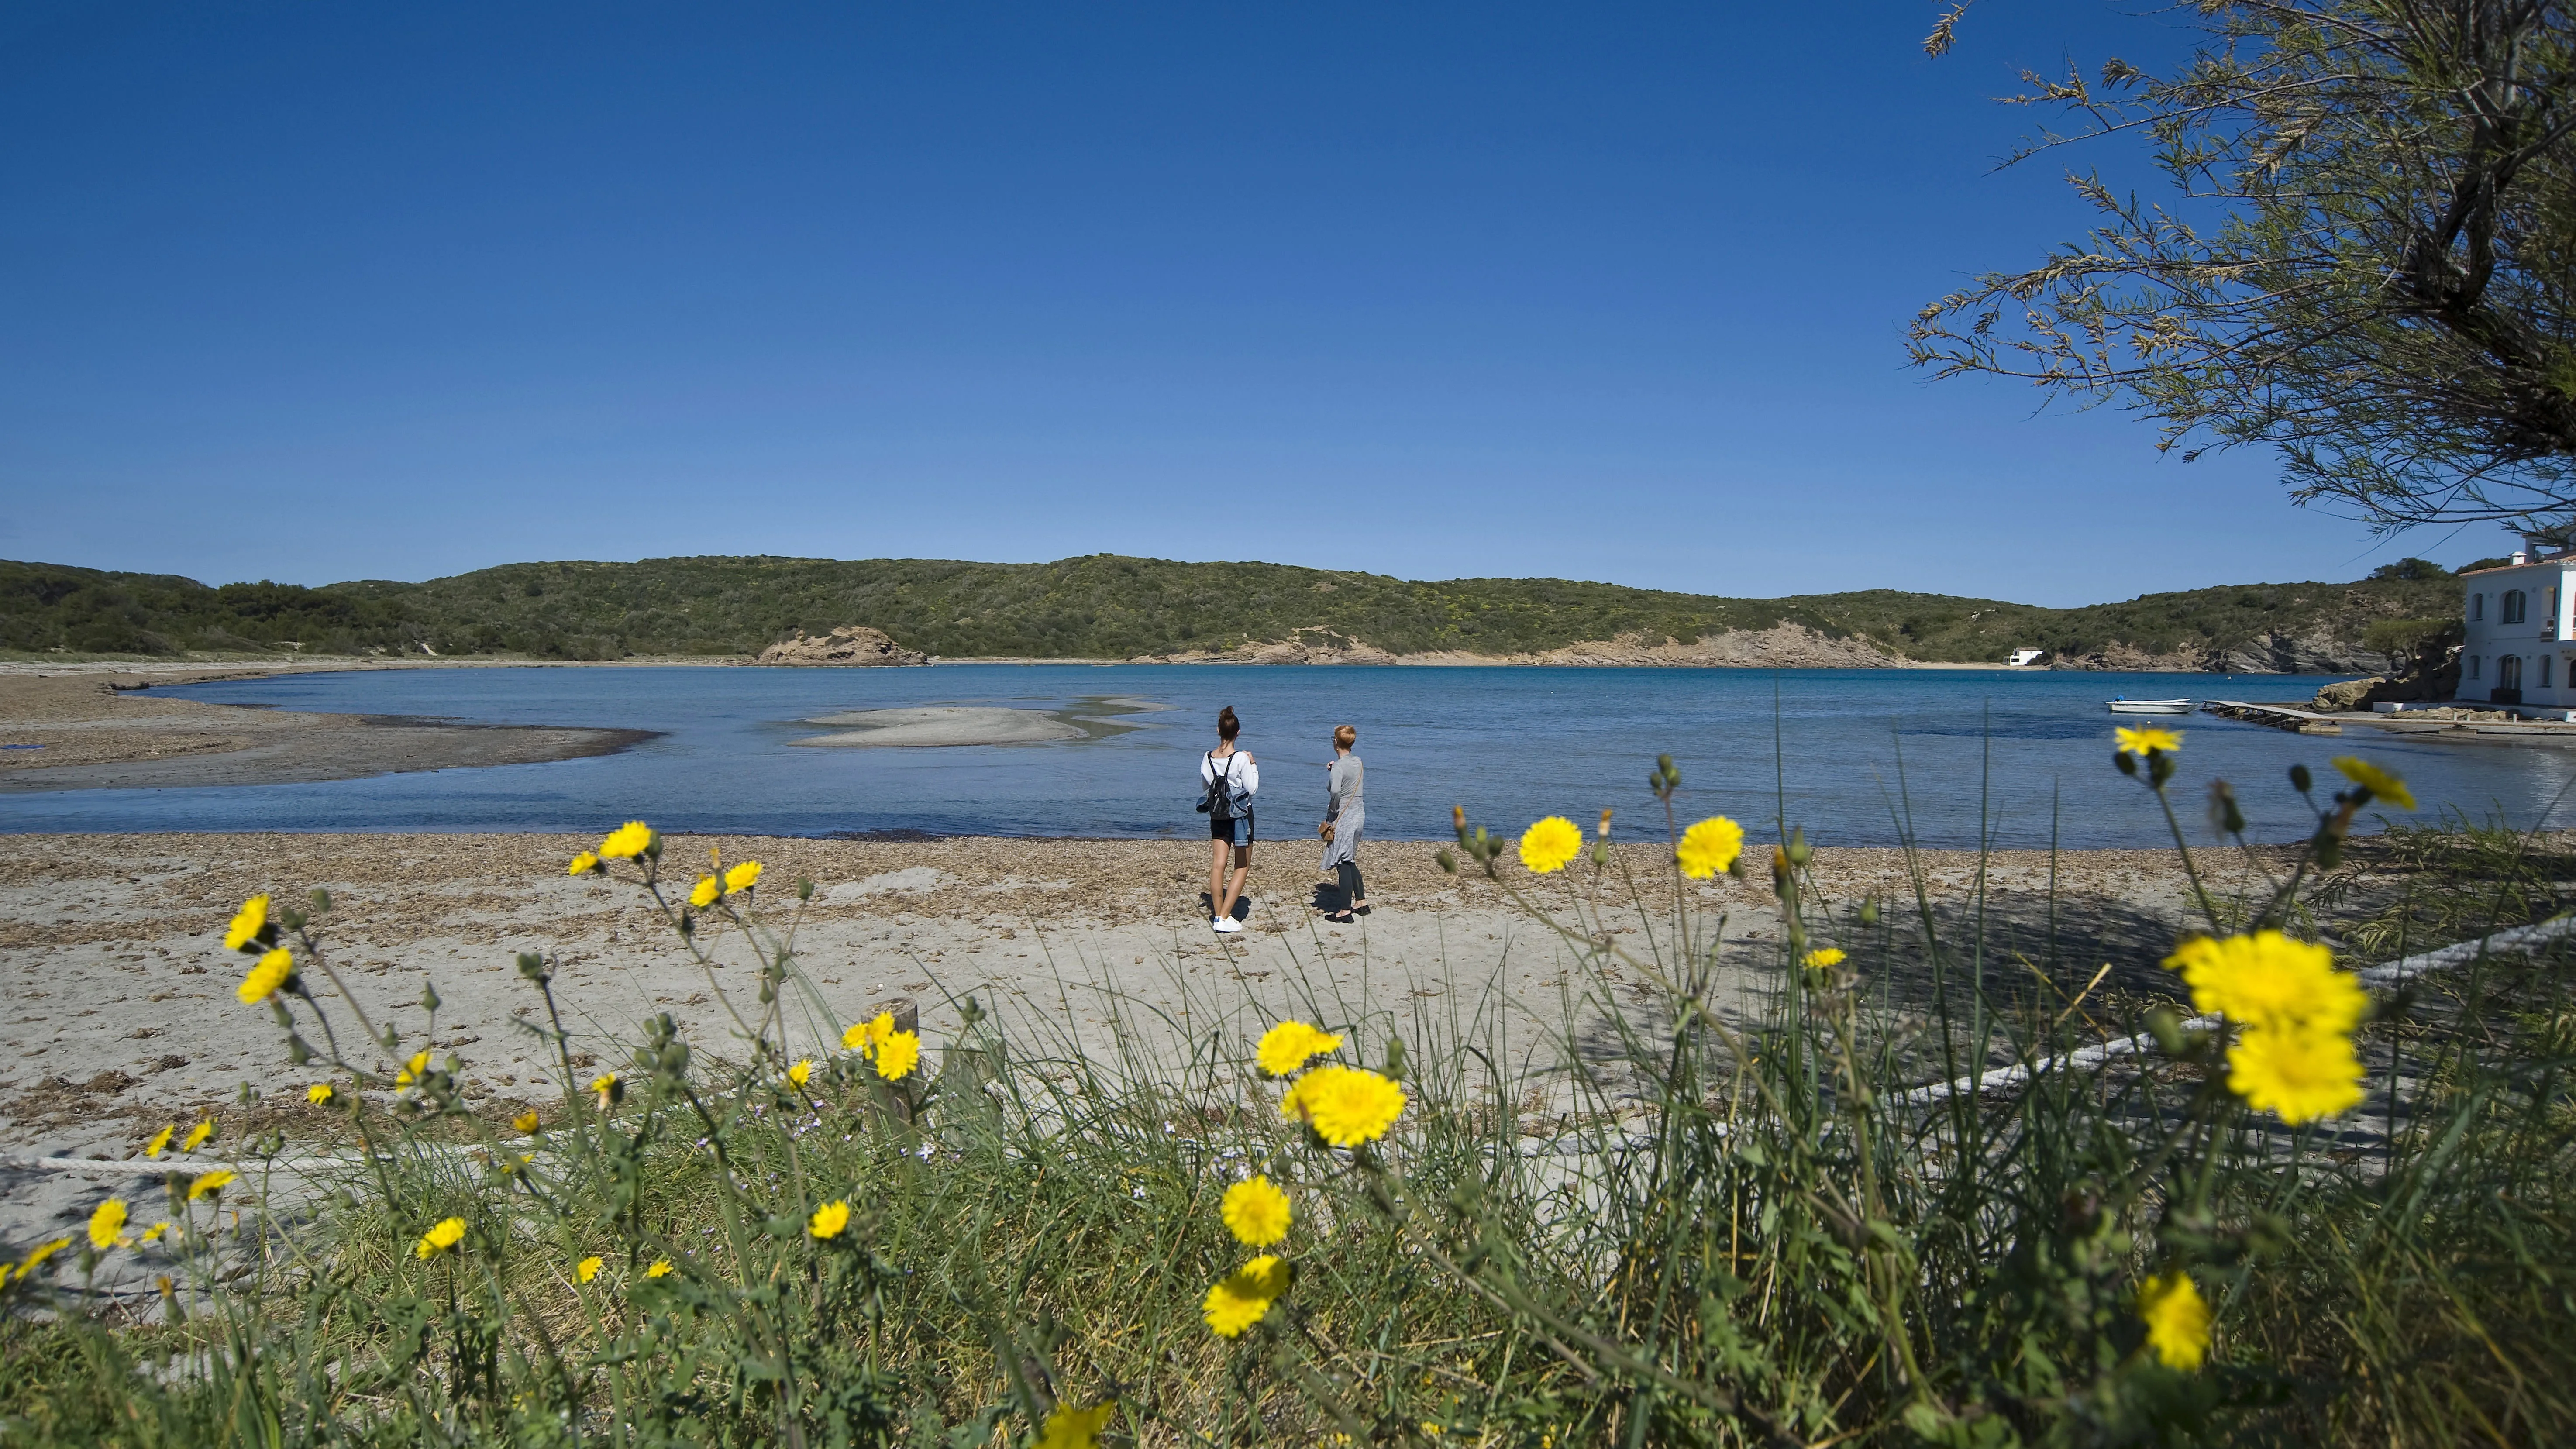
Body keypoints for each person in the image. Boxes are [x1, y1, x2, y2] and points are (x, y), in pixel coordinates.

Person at [1201, 706, 1258, 934]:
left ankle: (1218, 915)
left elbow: (1205, 786)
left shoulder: (1207, 758)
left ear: (1218, 731)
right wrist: (1253, 765)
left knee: (1218, 865)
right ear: (1238, 733)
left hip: (1218, 814)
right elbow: (1252, 789)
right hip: (1241, 816)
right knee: (1242, 866)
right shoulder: (1242, 759)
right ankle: (1224, 916)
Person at [1319, 724, 1366, 922]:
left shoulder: (1339, 766)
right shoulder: (1358, 762)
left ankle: (1345, 911)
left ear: (1336, 743)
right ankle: (1362, 903)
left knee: (1343, 862)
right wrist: (1333, 771)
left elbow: (1336, 791)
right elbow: (1347, 780)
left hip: (1345, 816)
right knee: (1350, 858)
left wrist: (1333, 809)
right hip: (1359, 814)